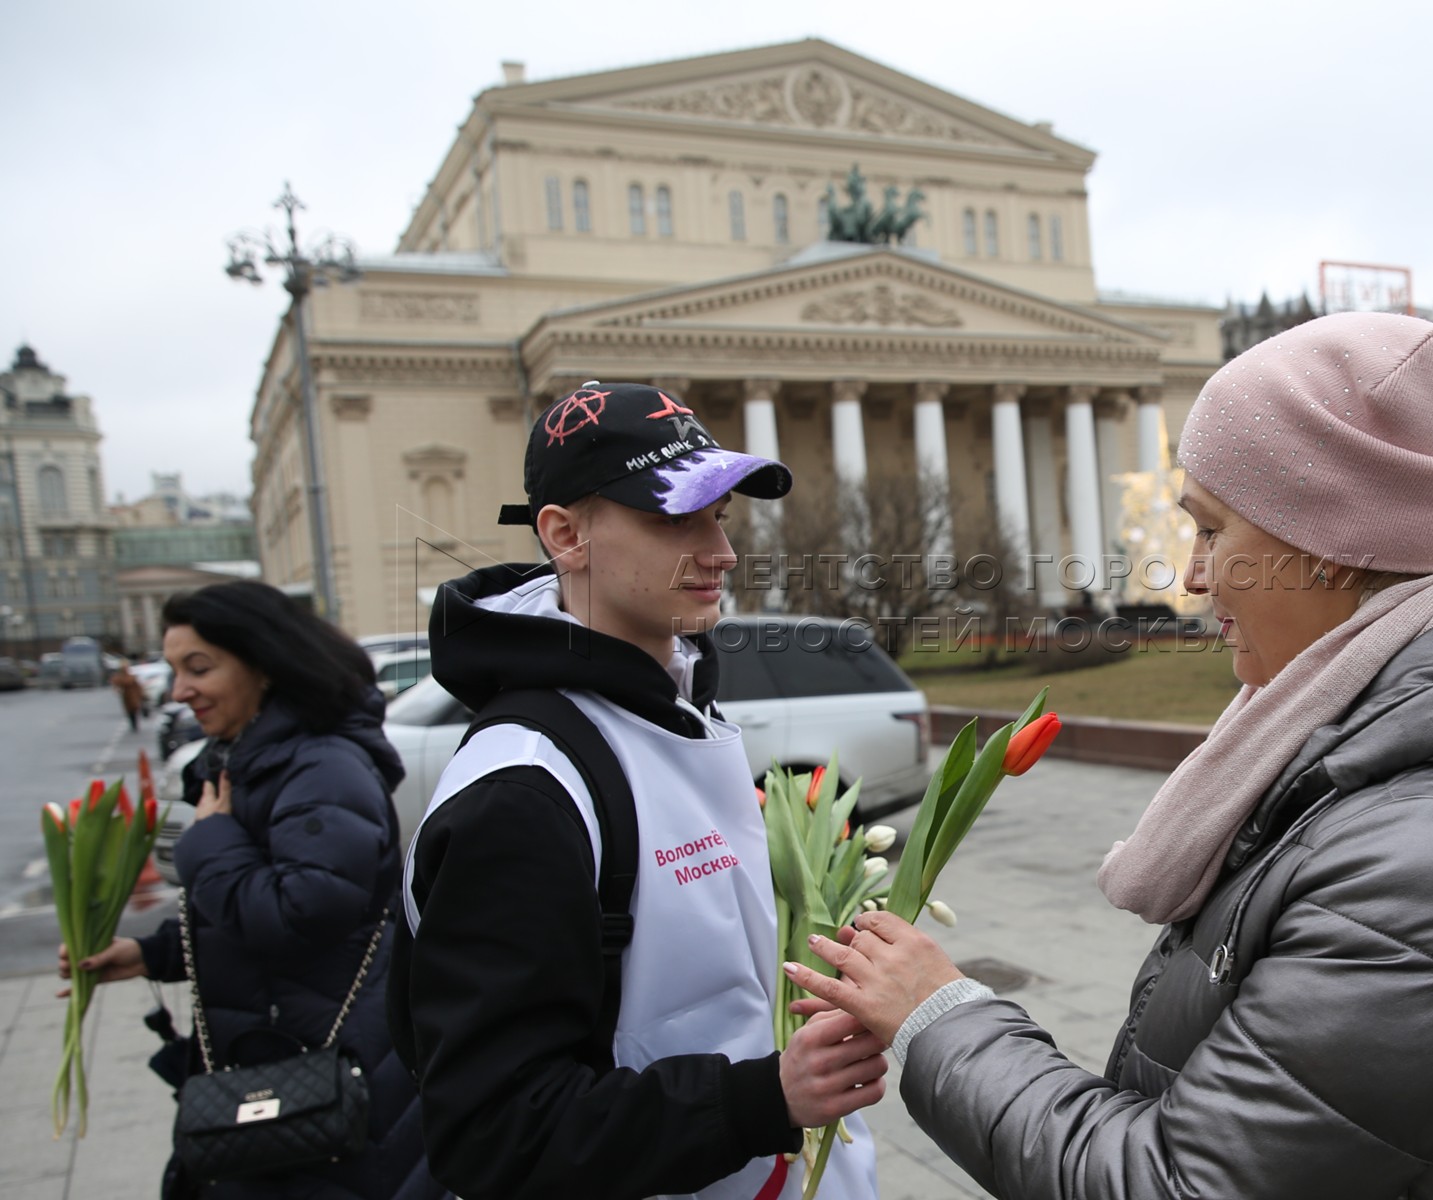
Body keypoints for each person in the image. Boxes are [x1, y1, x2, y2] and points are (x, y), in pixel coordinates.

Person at [788, 313, 1433, 1199]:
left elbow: (1182, 1185)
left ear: (1330, 548)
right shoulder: (1341, 746)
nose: (1191, 575)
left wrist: (939, 1016)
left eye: (1211, 530)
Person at [388, 382, 884, 1200]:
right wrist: (764, 1099)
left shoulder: (681, 708)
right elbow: (494, 1133)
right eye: (673, 519)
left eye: (719, 515)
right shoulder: (524, 788)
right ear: (564, 534)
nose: (720, 551)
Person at [62, 580, 442, 1200]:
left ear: (263, 665)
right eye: (176, 668)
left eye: (199, 668)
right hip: (285, 1066)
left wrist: (209, 842)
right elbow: (247, 911)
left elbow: (301, 913)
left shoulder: (323, 765)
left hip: (332, 1081)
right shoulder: (247, 759)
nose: (179, 689)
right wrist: (153, 955)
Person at [110, 659, 145, 731]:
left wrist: (141, 694)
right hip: (126, 696)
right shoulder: (119, 677)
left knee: (135, 709)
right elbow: (115, 684)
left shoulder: (131, 676)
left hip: (133, 695)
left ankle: (135, 724)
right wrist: (117, 690)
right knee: (129, 711)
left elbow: (138, 685)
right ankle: (133, 724)